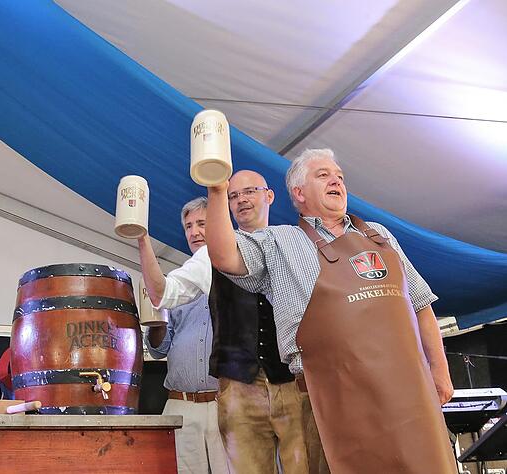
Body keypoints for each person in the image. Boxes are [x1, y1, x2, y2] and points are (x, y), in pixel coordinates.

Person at [205, 148, 455, 473]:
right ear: (298, 193)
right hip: (327, 397)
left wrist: (439, 370)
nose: (336, 180)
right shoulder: (280, 240)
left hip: (406, 394)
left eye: (339, 176)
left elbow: (421, 305)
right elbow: (224, 255)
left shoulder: (381, 236)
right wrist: (216, 190)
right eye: (323, 175)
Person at [147, 172, 309, 473]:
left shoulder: (293, 241)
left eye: (249, 192)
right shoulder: (210, 255)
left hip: (290, 380)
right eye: (233, 196)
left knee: (303, 465)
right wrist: (143, 242)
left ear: (269, 196)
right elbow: (164, 293)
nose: (242, 200)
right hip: (239, 384)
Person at [139, 197, 229, 473]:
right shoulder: (175, 282)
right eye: (189, 226)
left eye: (201, 224)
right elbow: (159, 349)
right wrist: (155, 318)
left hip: (225, 403)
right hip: (181, 406)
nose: (194, 232)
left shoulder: (237, 275)